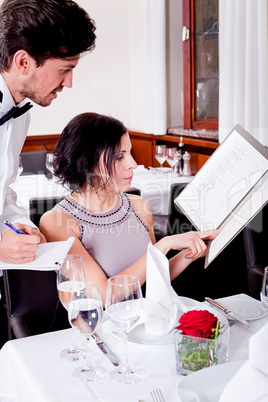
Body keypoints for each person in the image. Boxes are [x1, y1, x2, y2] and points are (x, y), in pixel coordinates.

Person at [40, 112, 220, 304]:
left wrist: (189, 253)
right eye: (119, 157)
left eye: (130, 153)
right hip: (100, 328)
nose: (133, 164)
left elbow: (153, 276)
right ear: (85, 163)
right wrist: (163, 245)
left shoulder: (139, 206)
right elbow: (104, 295)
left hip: (149, 319)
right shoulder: (56, 222)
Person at [0, 0, 96, 265]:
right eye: (64, 70)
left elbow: (3, 190)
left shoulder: (21, 116)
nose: (69, 82)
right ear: (23, 62)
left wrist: (20, 225)